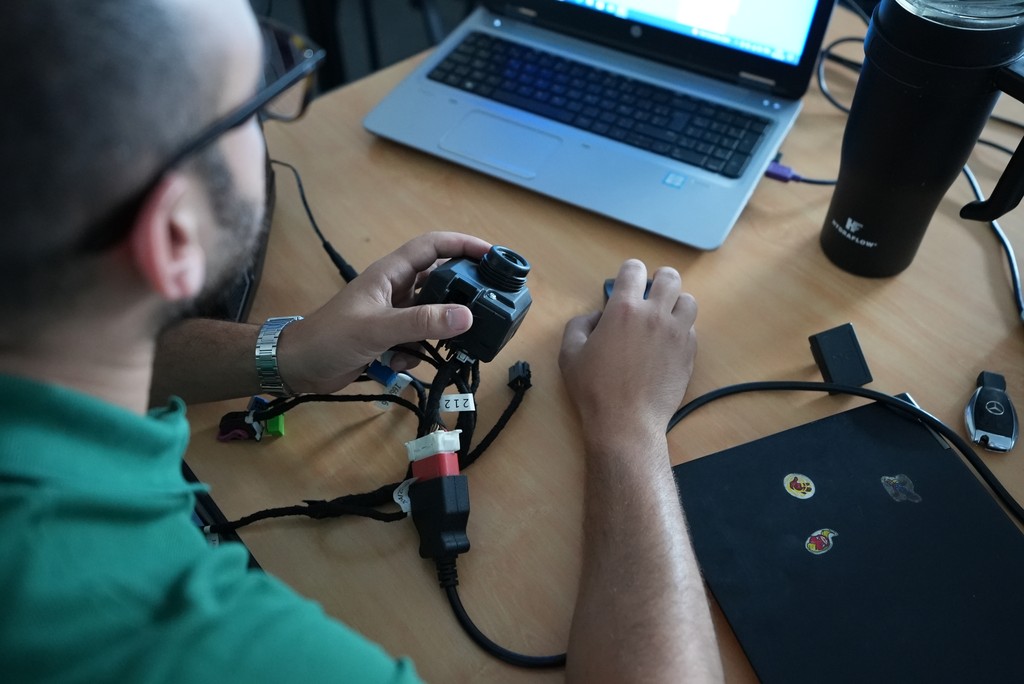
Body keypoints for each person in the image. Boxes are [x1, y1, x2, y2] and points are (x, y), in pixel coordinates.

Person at [0, 1, 722, 682]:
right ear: (175, 234)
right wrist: (628, 426)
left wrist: (290, 354)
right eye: (254, 101)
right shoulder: (204, 648)